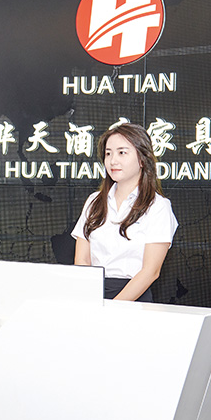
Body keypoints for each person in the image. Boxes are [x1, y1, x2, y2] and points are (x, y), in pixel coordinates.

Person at [71, 123, 177, 301]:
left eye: (122, 153)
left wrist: (113, 307)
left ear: (142, 159)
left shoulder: (158, 206)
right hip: (92, 295)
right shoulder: (94, 201)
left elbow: (151, 271)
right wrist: (90, 300)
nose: (113, 161)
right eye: (108, 153)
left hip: (133, 298)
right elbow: (82, 260)